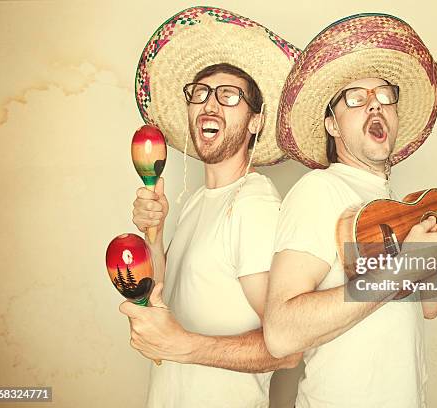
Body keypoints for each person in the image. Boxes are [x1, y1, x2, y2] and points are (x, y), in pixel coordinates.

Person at [264, 13, 437, 407]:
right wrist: (401, 267)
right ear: (332, 125)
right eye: (356, 98)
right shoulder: (319, 190)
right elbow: (280, 334)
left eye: (385, 95)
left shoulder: (393, 205)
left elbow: (430, 305)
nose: (375, 105)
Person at [118, 7, 301, 408]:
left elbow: (287, 348)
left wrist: (183, 345)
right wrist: (156, 230)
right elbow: (164, 292)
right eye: (199, 93)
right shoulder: (197, 201)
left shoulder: (253, 205)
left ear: (255, 122)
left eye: (229, 96)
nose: (209, 105)